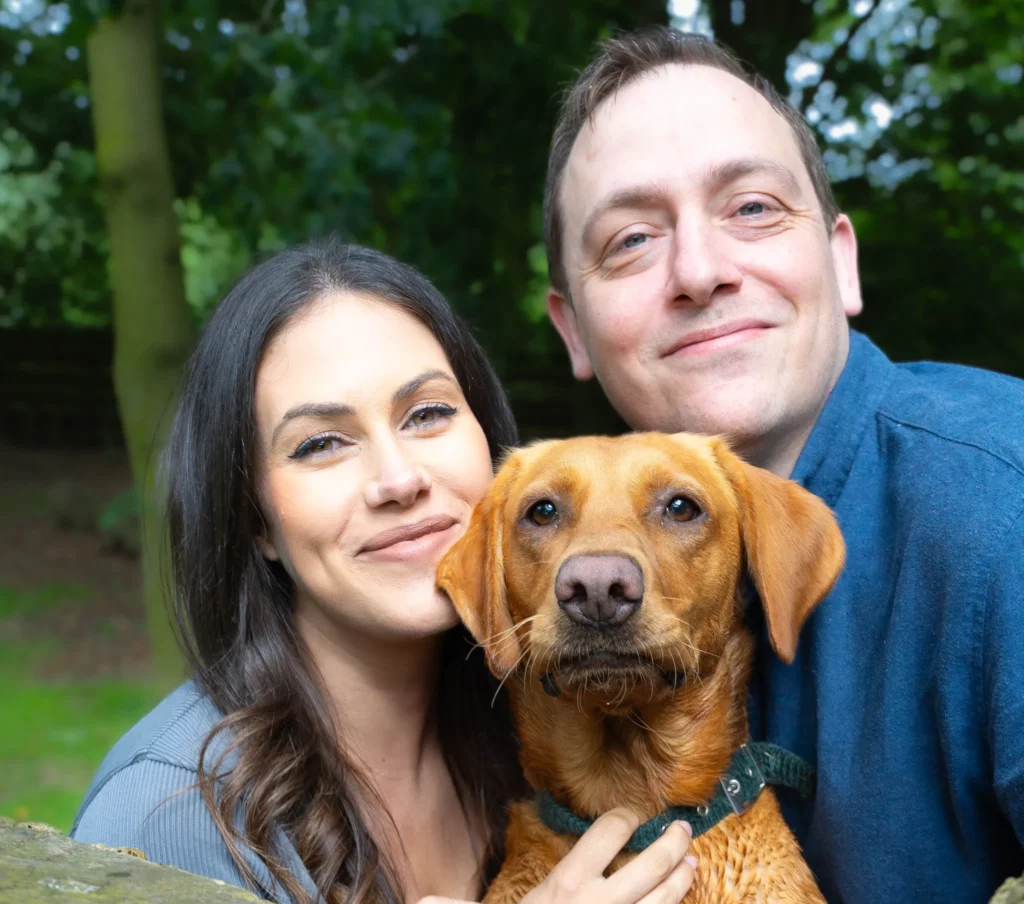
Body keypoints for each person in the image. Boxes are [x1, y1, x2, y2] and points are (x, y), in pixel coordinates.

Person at [541, 26, 1024, 904]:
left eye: (753, 207)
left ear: (840, 261)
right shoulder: (547, 599)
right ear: (573, 328)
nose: (698, 270)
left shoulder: (1006, 508)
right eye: (631, 240)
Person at [70, 240, 698, 904]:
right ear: (257, 523)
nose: (398, 479)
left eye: (427, 414)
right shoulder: (168, 818)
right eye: (321, 444)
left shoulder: (552, 727)